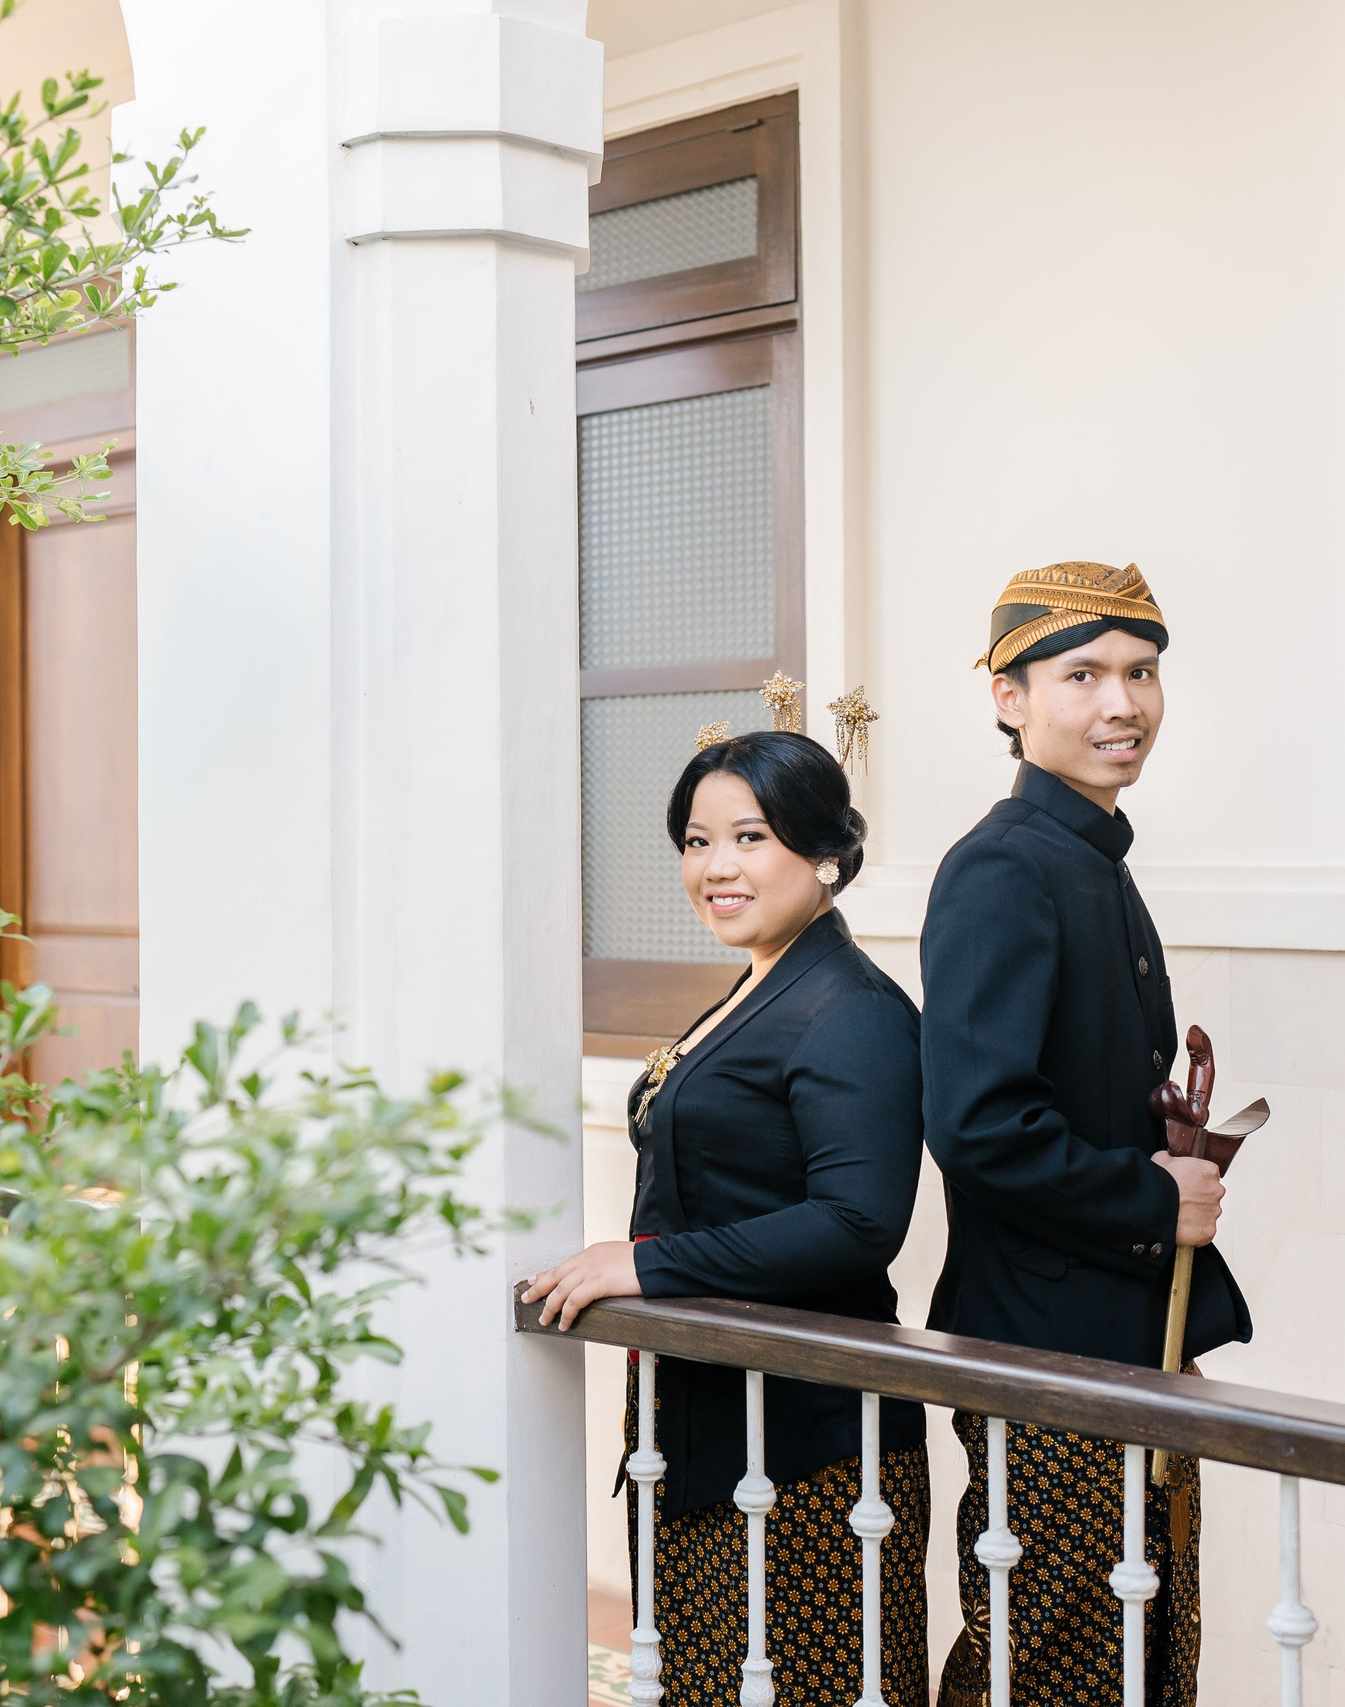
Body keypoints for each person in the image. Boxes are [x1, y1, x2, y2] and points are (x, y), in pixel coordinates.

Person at [521, 729, 931, 1707]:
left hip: (809, 1450)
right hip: (705, 1428)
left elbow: (858, 1222)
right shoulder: (760, 983)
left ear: (823, 848)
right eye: (696, 841)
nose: (715, 868)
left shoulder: (851, 1009)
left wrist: (646, 1265)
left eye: (749, 837)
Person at [922, 561, 1251, 1707]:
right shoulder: (1005, 867)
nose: (1124, 704)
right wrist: (1157, 1200)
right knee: (1050, 1659)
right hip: (1043, 1349)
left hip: (1117, 1333)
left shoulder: (1090, 859)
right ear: (1009, 698)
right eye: (1084, 675)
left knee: (1146, 1648)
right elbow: (979, 1127)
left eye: (1142, 672)